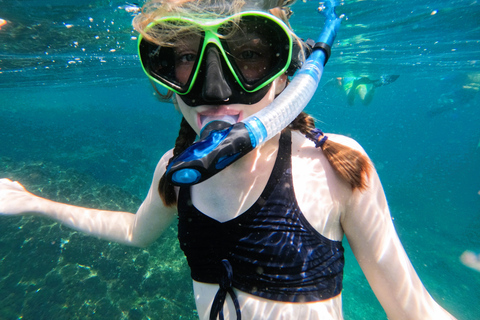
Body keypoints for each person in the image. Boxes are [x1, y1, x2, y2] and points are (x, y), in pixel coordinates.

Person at [0, 0, 456, 319]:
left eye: (251, 55)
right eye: (183, 57)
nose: (215, 91)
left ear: (289, 73)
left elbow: (413, 311)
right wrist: (35, 202)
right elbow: (136, 233)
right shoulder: (177, 170)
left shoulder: (333, 166)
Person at [333, 75, 399, 106]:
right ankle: (374, 86)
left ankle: (355, 85)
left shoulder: (338, 79)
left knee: (351, 103)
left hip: (349, 85)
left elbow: (336, 80)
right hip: (361, 82)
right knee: (365, 102)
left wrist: (324, 87)